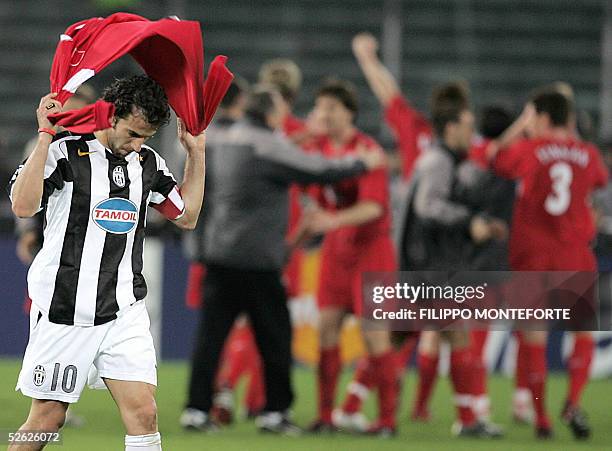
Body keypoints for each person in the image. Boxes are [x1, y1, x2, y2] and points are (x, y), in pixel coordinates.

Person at [8, 75, 206, 451]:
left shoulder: (148, 163)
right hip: (66, 308)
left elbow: (187, 216)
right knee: (48, 418)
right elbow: (22, 205)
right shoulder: (64, 152)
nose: (137, 145)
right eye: (133, 133)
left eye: (145, 137)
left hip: (123, 310)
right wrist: (45, 136)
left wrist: (196, 152)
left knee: (144, 414)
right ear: (111, 116)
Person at [180, 84, 384, 435]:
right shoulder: (270, 146)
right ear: (272, 115)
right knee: (274, 338)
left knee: (211, 338)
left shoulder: (223, 139)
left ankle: (197, 410)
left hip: (218, 253)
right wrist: (362, 162)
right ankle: (275, 412)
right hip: (258, 260)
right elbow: (320, 170)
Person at [488, 89, 609, 439]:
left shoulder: (530, 149)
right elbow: (600, 179)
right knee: (582, 334)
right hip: (575, 254)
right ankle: (572, 403)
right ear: (569, 121)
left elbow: (494, 157)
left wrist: (520, 127)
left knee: (533, 338)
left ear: (539, 118)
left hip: (533, 256)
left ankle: (541, 419)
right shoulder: (586, 153)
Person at [399, 82, 505, 438]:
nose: (471, 133)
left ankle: (468, 420)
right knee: (443, 336)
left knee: (438, 336)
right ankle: (468, 420)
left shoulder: (448, 160)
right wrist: (469, 221)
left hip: (433, 265)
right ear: (450, 128)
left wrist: (480, 223)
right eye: (466, 126)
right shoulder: (437, 160)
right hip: (428, 267)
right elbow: (428, 207)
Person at [297, 79, 399, 437]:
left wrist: (331, 220)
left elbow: (374, 207)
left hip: (372, 252)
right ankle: (325, 416)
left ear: (349, 113)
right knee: (326, 330)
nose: (325, 113)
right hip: (336, 252)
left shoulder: (368, 150)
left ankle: (387, 420)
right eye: (321, 107)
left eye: (332, 108)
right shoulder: (318, 148)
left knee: (375, 336)